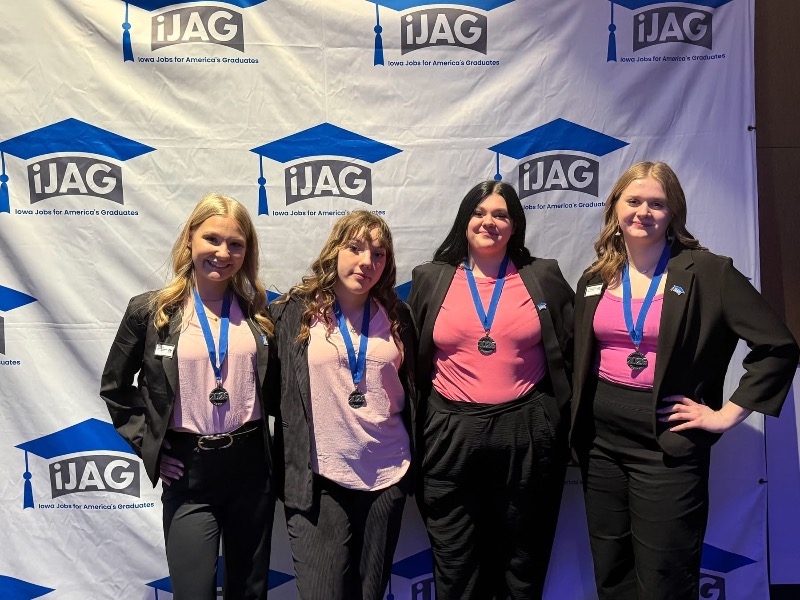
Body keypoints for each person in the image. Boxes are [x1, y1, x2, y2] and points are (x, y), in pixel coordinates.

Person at [570, 161, 800, 600]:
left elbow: (778, 346)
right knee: (612, 573)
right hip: (600, 444)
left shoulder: (709, 272)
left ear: (673, 212)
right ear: (615, 207)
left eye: (657, 204)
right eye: (633, 201)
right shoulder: (595, 277)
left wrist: (726, 415)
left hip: (666, 442)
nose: (643, 212)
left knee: (666, 578)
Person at [100, 193, 276, 600]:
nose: (223, 253)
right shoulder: (150, 312)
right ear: (190, 239)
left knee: (250, 592)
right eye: (212, 238)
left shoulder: (259, 313)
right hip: (190, 471)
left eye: (235, 244)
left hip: (251, 469)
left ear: (246, 252)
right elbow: (115, 387)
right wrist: (149, 444)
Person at [407, 180, 574, 600]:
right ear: (464, 221)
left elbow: (575, 348)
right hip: (450, 434)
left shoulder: (543, 276)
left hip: (526, 432)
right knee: (456, 564)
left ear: (515, 225)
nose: (489, 222)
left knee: (523, 561)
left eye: (501, 215)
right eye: (479, 213)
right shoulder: (431, 278)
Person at [269, 210, 417, 600]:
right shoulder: (294, 312)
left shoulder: (397, 316)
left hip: (386, 475)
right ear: (335, 250)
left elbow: (412, 391)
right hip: (319, 480)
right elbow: (271, 392)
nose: (367, 262)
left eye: (378, 254)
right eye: (355, 248)